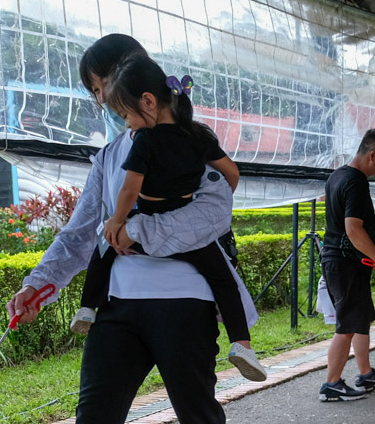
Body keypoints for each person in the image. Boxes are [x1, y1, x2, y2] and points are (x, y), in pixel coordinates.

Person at [7, 33, 262, 424]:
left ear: (137, 81)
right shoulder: (108, 157)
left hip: (184, 301)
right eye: (100, 95)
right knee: (94, 422)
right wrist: (38, 284)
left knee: (197, 414)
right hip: (118, 308)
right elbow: (82, 233)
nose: (105, 103)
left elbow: (214, 215)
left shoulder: (189, 140)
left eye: (106, 88)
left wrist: (133, 234)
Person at [70, 52, 267, 382]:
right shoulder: (198, 136)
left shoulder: (144, 141)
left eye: (125, 115)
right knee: (223, 281)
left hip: (144, 226)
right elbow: (231, 173)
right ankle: (242, 344)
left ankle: (88, 307)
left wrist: (118, 221)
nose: (126, 123)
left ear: (147, 102)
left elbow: (130, 190)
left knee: (103, 250)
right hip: (187, 235)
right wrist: (222, 191)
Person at [317, 127, 375, 402]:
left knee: (361, 318)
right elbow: (353, 229)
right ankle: (331, 384)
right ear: (372, 154)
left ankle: (365, 373)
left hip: (346, 261)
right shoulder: (356, 182)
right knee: (347, 324)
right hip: (344, 263)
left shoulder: (337, 175)